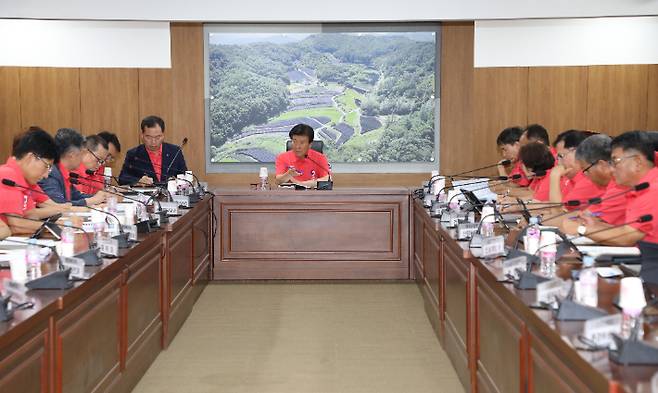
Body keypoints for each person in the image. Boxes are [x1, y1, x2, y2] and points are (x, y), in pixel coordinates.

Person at [574, 131, 658, 246]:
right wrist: (594, 226)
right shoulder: (641, 187)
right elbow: (628, 230)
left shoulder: (653, 189)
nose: (612, 170)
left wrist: (581, 229)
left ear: (637, 162)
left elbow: (627, 238)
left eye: (615, 161)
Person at [0, 127, 68, 233]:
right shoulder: (7, 174)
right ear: (31, 158)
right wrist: (58, 226)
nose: (46, 175)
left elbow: (29, 214)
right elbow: (17, 225)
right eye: (47, 166)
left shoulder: (25, 178)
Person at [558, 134, 627, 231]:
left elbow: (582, 223)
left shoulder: (621, 187)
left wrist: (581, 229)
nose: (584, 175)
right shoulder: (610, 186)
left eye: (586, 170)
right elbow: (585, 217)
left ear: (602, 165)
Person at [38, 128, 106, 206]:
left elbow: (76, 196)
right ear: (72, 155)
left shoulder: (63, 171)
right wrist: (90, 201)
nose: (82, 158)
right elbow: (58, 204)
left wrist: (101, 198)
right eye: (82, 154)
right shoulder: (51, 173)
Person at [119, 115, 187, 185]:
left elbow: (184, 176)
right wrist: (138, 180)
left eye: (158, 137)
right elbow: (122, 179)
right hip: (145, 195)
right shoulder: (133, 154)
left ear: (163, 135)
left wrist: (176, 181)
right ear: (142, 135)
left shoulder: (175, 151)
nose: (153, 142)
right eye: (149, 137)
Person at [548, 130, 604, 209]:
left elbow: (558, 212)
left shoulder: (589, 180)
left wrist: (554, 177)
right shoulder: (572, 177)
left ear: (576, 152)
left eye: (561, 156)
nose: (558, 163)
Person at [274, 124, 330, 188]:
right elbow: (277, 181)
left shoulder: (320, 158)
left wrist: (299, 184)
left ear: (310, 144)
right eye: (294, 142)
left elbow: (326, 179)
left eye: (302, 143)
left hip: (313, 196)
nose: (297, 146)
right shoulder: (282, 157)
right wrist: (287, 175)